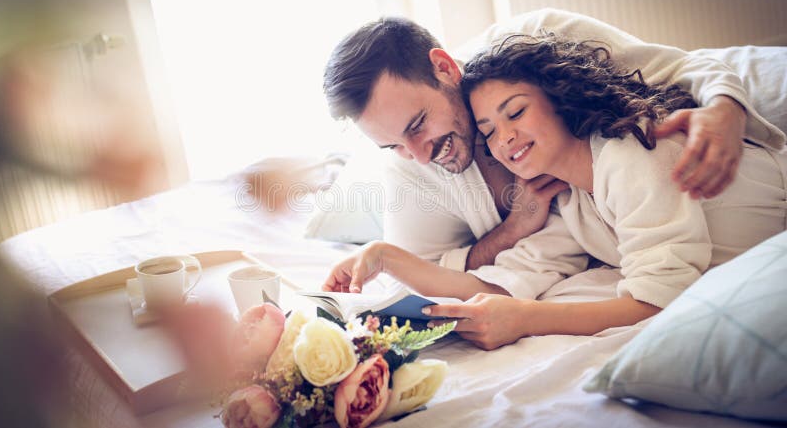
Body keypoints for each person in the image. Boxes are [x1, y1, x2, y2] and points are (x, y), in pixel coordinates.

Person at [324, 34, 787, 350]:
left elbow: (660, 298)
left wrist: (527, 318)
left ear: (558, 97)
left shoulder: (631, 151)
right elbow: (501, 282)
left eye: (516, 113)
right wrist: (385, 255)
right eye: (488, 130)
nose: (503, 138)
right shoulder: (567, 203)